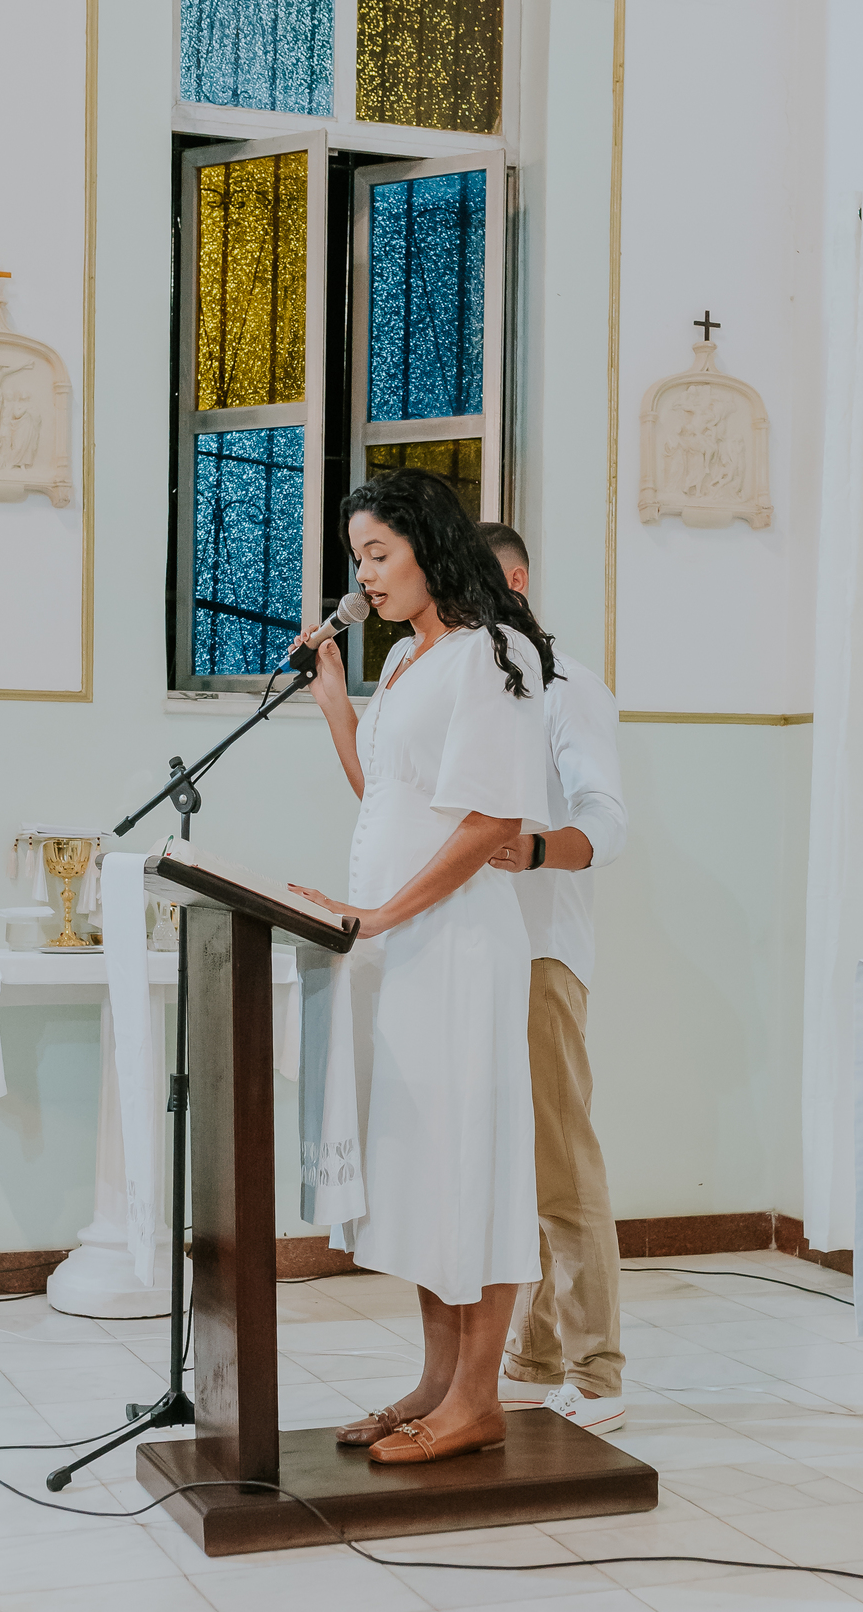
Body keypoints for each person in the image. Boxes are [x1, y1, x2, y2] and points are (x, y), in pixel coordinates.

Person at [288, 470, 554, 1467]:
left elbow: (491, 821)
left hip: (460, 949)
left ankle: (478, 1400)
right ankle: (436, 1384)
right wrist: (333, 702)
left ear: (427, 547)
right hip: (402, 948)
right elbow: (387, 796)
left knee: (470, 1168)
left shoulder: (495, 653)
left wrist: (384, 912)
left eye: (377, 555)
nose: (364, 576)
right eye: (358, 559)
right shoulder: (403, 661)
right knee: (425, 1171)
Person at [480, 521, 629, 1437]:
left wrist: (532, 847)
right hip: (477, 948)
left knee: (562, 1159)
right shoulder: (476, 684)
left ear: (520, 578)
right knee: (515, 1155)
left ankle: (600, 1370)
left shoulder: (570, 686)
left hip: (540, 947)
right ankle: (536, 1353)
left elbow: (607, 823)